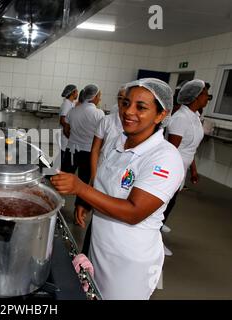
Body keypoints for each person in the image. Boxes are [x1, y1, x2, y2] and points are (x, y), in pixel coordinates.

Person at [51, 78, 184, 299]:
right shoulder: (118, 143)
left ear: (161, 115)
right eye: (125, 103)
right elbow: (108, 187)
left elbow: (134, 212)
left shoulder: (165, 157)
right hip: (100, 245)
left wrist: (82, 190)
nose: (128, 111)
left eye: (141, 107)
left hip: (129, 260)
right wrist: (87, 203)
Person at [161, 79, 211, 255]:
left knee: (169, 204)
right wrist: (173, 174)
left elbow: (192, 148)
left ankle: (158, 231)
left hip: (183, 168)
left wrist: (194, 170)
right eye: (205, 94)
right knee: (164, 206)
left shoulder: (195, 117)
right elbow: (171, 150)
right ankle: (155, 240)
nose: (208, 98)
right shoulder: (181, 118)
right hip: (174, 169)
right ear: (196, 97)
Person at [77, 85, 126, 254]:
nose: (124, 104)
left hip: (122, 182)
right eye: (121, 99)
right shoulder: (107, 120)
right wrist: (93, 178)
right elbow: (96, 150)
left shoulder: (135, 125)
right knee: (96, 225)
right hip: (103, 174)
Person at [65, 84, 105, 227]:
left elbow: (66, 129)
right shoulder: (99, 114)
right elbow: (101, 136)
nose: (100, 98)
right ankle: (78, 214)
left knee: (63, 178)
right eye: (99, 95)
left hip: (71, 150)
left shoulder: (74, 110)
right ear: (94, 97)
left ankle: (53, 206)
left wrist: (75, 138)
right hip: (88, 152)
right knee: (83, 183)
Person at [59, 84, 78, 172]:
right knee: (62, 157)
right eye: (76, 91)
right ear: (73, 92)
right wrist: (68, 133)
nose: (77, 94)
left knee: (64, 157)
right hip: (64, 135)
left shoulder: (70, 103)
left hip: (67, 134)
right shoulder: (67, 103)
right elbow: (63, 120)